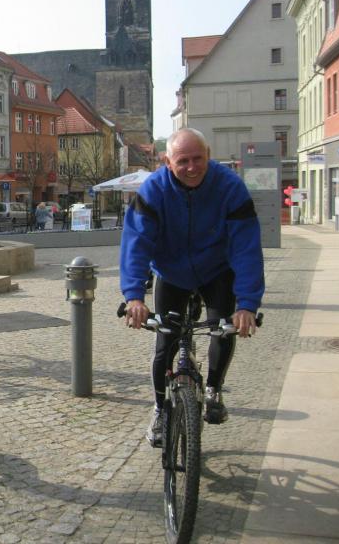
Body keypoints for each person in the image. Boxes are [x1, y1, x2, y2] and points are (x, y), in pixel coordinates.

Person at [119, 127, 264, 447]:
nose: (191, 167)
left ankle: (213, 389)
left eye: (198, 158)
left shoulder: (230, 187)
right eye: (182, 161)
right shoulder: (153, 190)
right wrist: (134, 297)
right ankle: (160, 409)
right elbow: (136, 243)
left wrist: (247, 304)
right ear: (167, 161)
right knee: (165, 342)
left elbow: (246, 248)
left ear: (209, 156)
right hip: (171, 272)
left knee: (222, 329)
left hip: (217, 270)